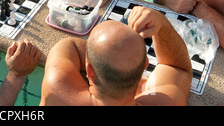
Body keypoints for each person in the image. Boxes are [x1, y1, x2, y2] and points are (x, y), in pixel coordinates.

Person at [40, 6, 192, 106]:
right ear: (145, 65)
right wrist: (161, 22)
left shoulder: (58, 92)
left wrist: (104, 57)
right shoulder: (165, 101)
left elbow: (69, 45)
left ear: (90, 71)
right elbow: (176, 67)